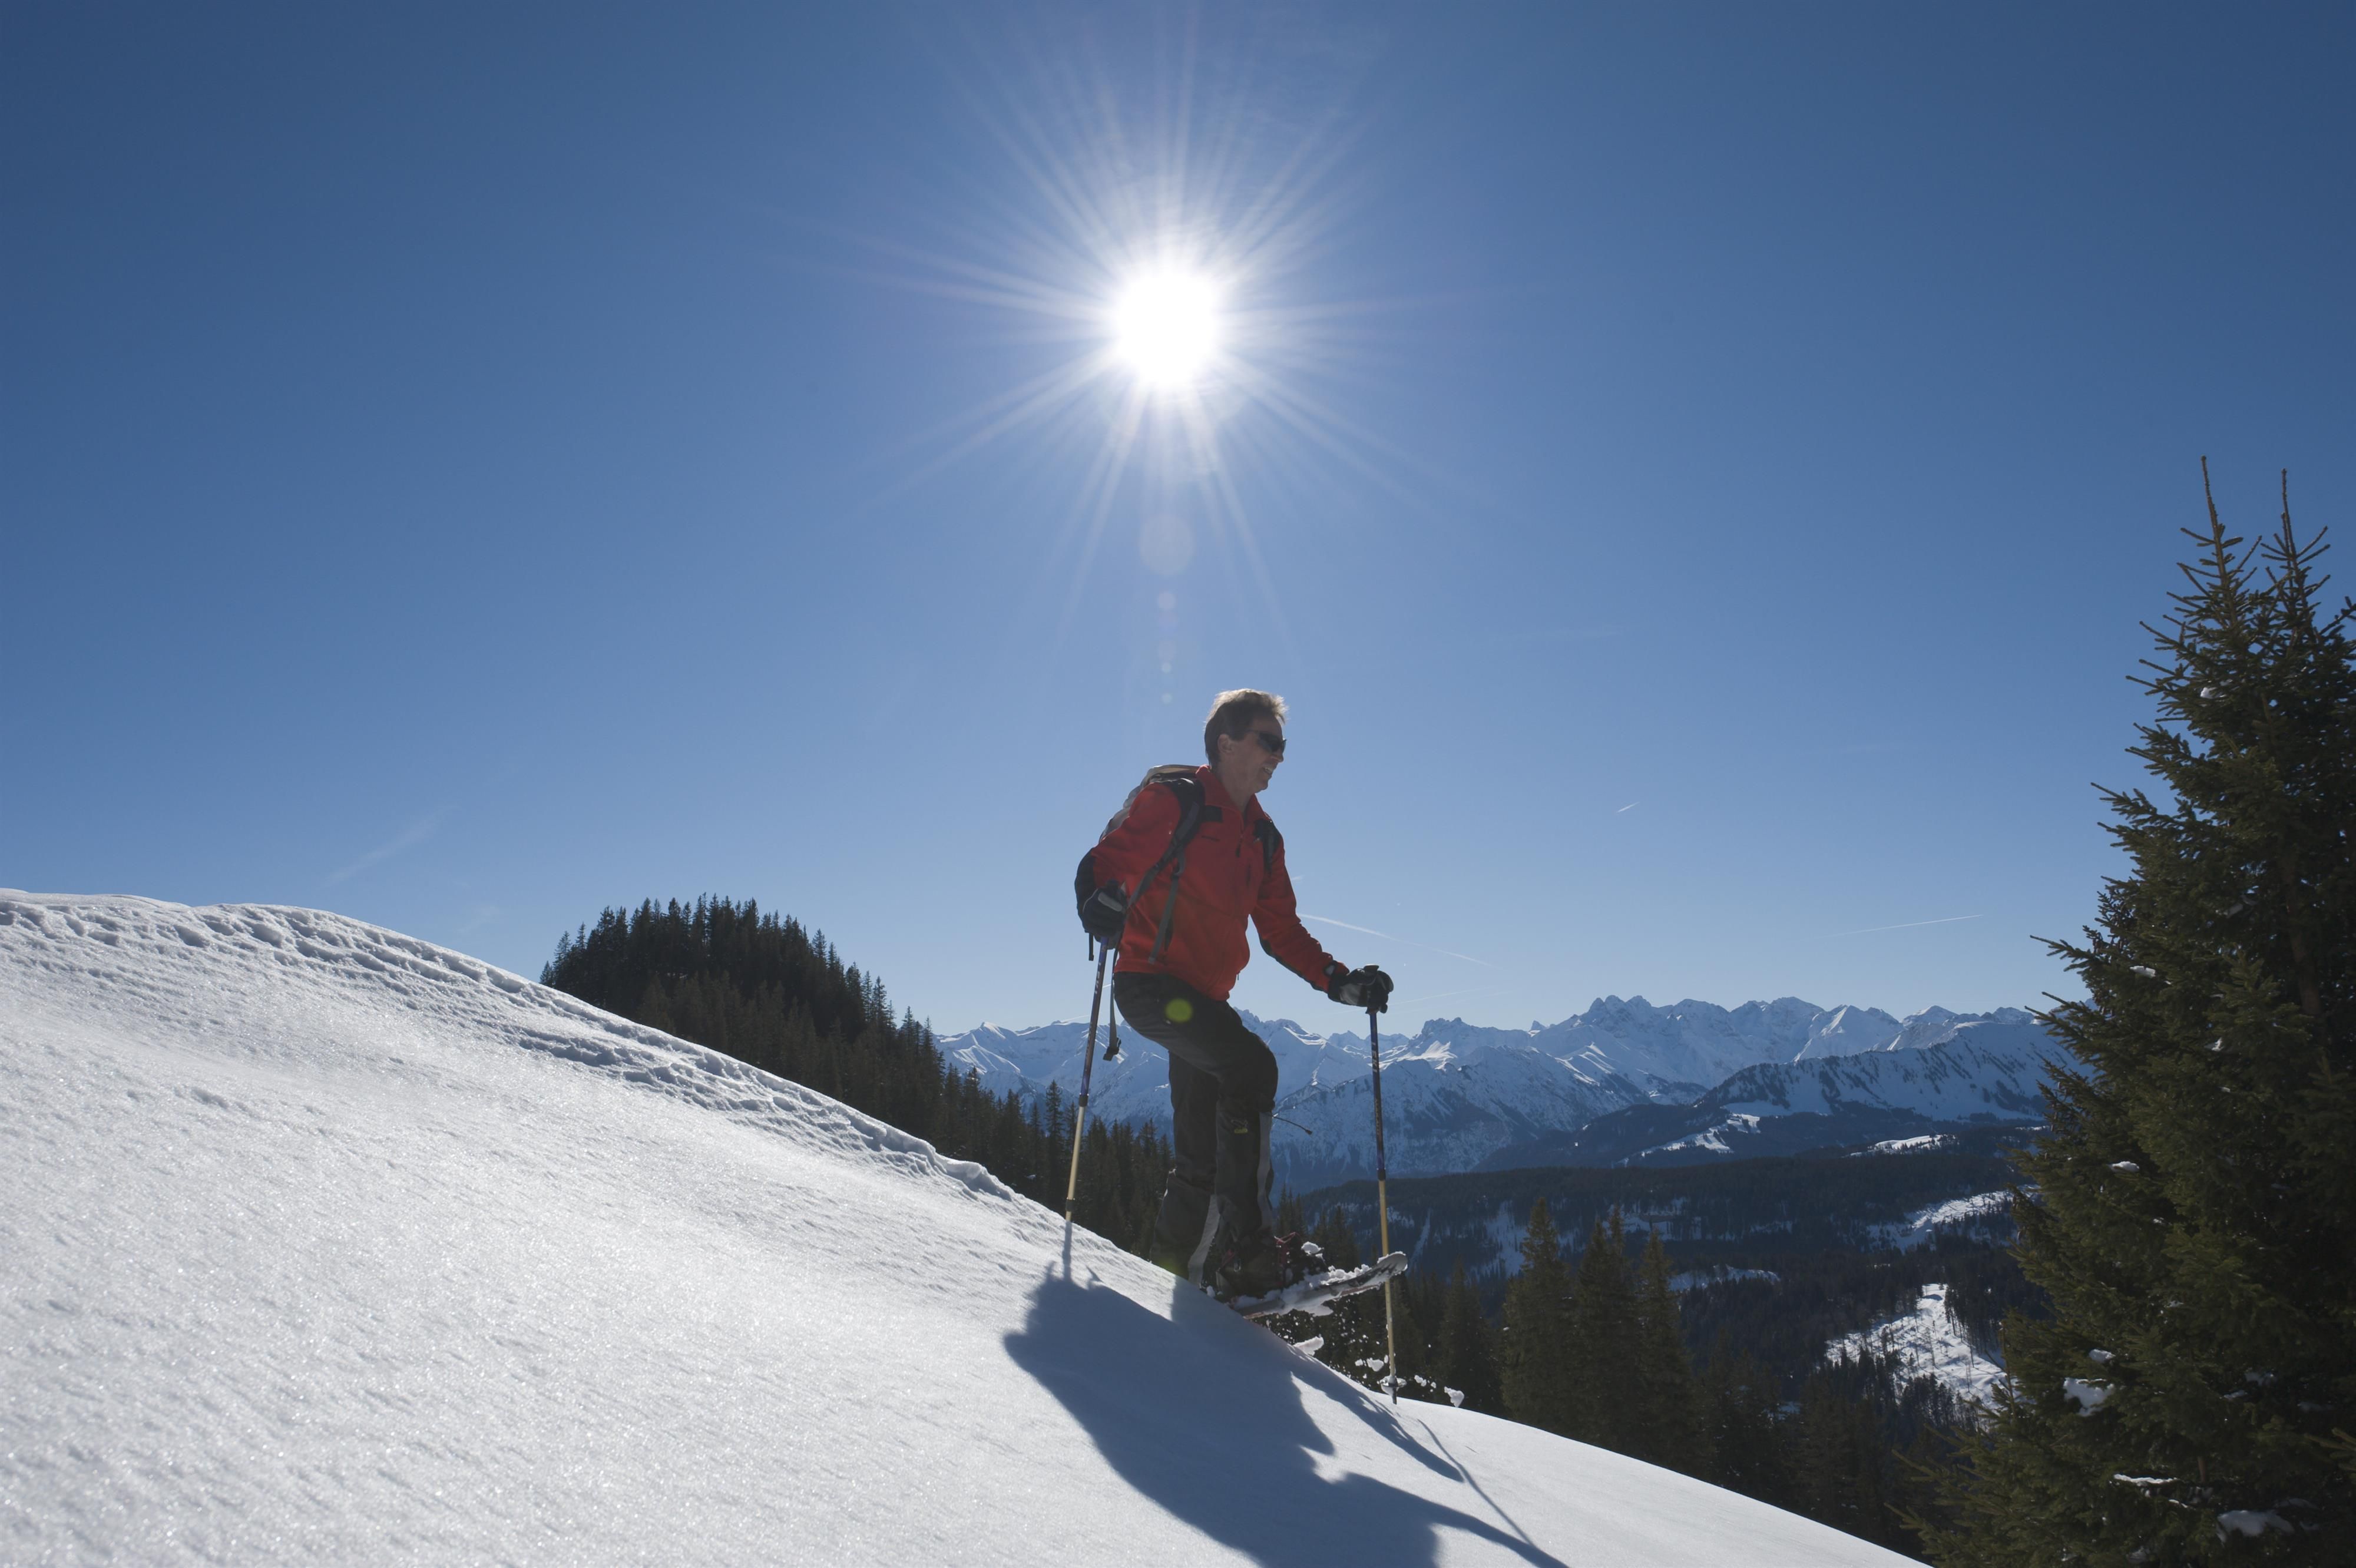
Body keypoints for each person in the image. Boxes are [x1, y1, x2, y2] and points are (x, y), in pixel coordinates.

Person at [1077, 689, 1391, 1298]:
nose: (1278, 756)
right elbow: (1108, 861)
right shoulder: (1177, 801)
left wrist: (1339, 981)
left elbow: (1280, 930)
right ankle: (1251, 1250)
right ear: (1226, 743)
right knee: (1250, 1066)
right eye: (1267, 742)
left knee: (1200, 1155)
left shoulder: (1263, 838)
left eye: (1282, 746)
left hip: (1201, 1000)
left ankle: (1175, 1279)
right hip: (1149, 984)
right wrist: (1099, 899)